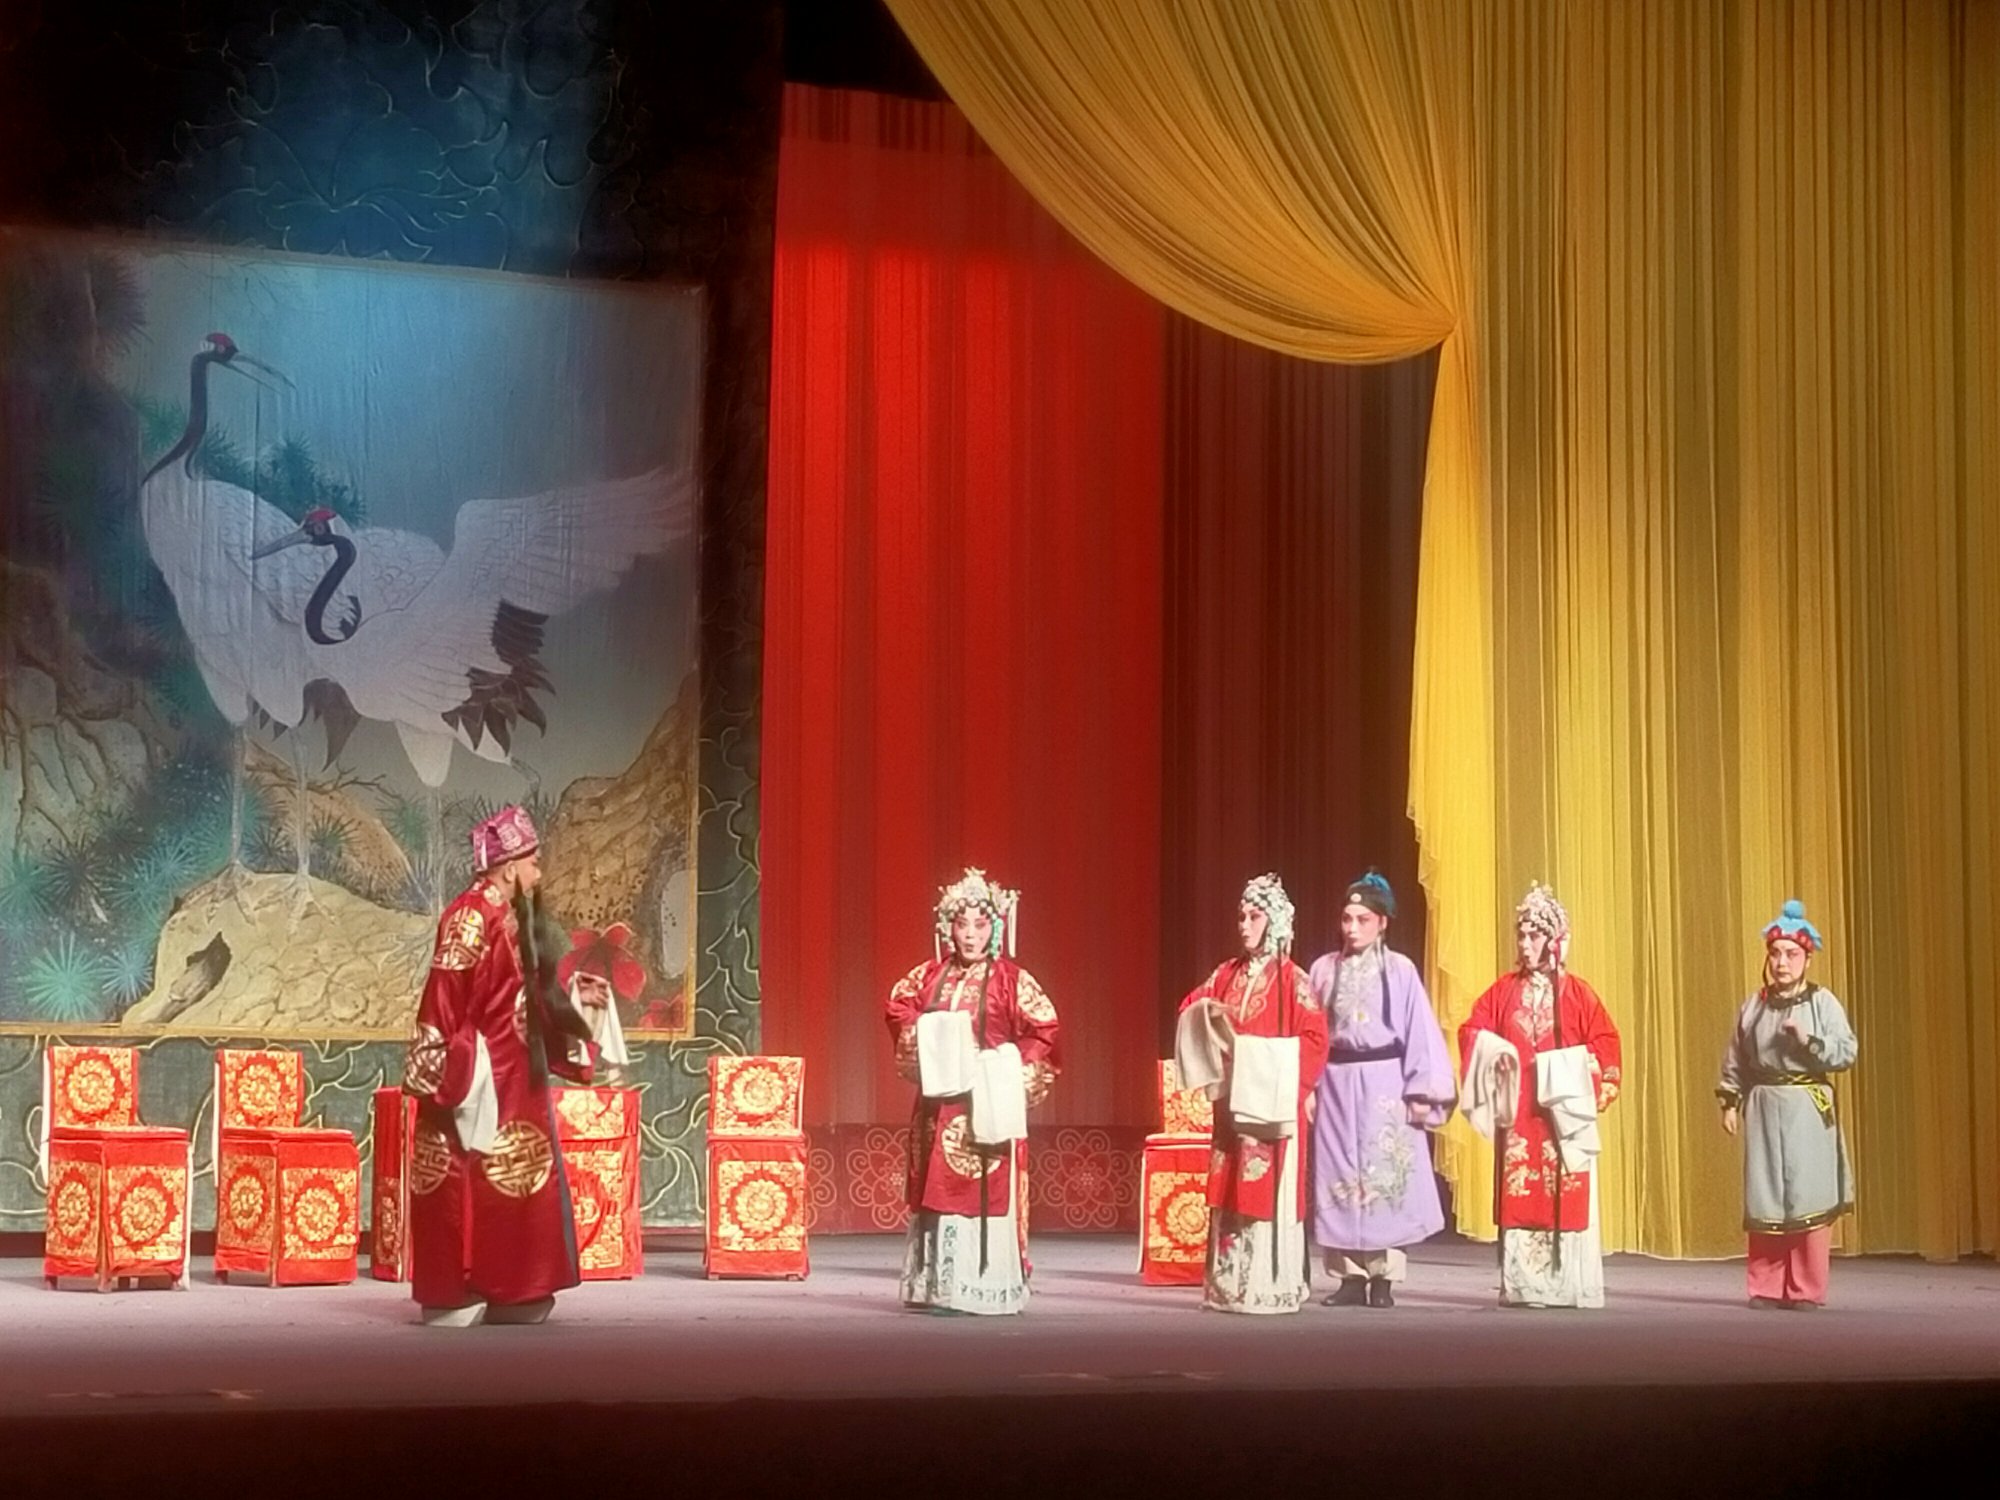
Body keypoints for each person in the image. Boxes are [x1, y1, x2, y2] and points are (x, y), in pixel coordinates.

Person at [401, 806, 598, 1326]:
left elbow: (528, 994)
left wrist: (574, 1018)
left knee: (518, 1179)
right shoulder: (469, 917)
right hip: (477, 1075)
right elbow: (444, 995)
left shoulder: (509, 916)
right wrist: (443, 1067)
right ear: (508, 867)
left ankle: (513, 1289)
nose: (538, 871)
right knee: (466, 1178)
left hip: (516, 1075)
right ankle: (456, 1291)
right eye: (532, 861)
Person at [885, 868, 1059, 1315]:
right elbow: (898, 1006)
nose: (969, 935)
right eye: (961, 924)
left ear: (994, 928)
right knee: (935, 1191)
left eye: (980, 925)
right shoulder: (929, 975)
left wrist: (1004, 1065)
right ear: (948, 927)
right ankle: (934, 1287)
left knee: (979, 1192)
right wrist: (931, 1035)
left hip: (986, 1103)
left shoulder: (1012, 979)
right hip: (937, 1104)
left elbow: (1045, 1030)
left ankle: (981, 1286)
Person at [1459, 883, 1622, 1308]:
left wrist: (1589, 1072)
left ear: (1555, 941)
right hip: (1520, 1114)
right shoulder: (1503, 991)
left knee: (1566, 1188)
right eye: (1522, 935)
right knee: (1522, 1190)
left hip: (1561, 1115)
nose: (1525, 944)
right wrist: (1495, 1053)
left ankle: (1568, 1285)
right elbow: (1471, 1030)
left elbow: (1606, 1042)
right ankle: (1524, 1286)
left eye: (1535, 936)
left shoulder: (1578, 994)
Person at [1175, 875, 1326, 1314]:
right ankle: (1226, 1285)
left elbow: (1316, 1039)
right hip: (1232, 1105)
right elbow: (1189, 1008)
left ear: (1274, 920)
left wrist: (1274, 1071)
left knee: (1265, 1187)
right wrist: (1207, 1015)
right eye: (1241, 916)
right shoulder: (1225, 974)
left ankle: (1268, 1284)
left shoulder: (1294, 980)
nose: (1244, 925)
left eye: (1254, 916)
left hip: (1272, 1108)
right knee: (1228, 1186)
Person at [1307, 871, 1456, 1308]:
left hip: (1385, 1080)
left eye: (1363, 920)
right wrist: (1307, 1085)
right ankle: (1349, 1276)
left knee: (1386, 1172)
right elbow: (1311, 1034)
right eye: (1347, 919)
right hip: (1336, 1081)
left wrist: (1421, 1091)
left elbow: (1419, 1031)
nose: (1352, 928)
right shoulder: (1323, 970)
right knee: (1339, 1174)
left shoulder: (1399, 970)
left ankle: (1384, 1275)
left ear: (1382, 923)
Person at [1717, 899, 1856, 1309]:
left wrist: (1808, 1041)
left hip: (1806, 1107)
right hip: (1763, 1106)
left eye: (1791, 954)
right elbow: (1736, 1056)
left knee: (1806, 1194)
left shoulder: (1822, 1002)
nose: (1782, 962)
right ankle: (1766, 1285)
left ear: (1806, 959)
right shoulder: (1754, 1005)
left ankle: (1806, 1288)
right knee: (1767, 1194)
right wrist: (1730, 1101)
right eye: (1776, 953)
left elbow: (1847, 1051)